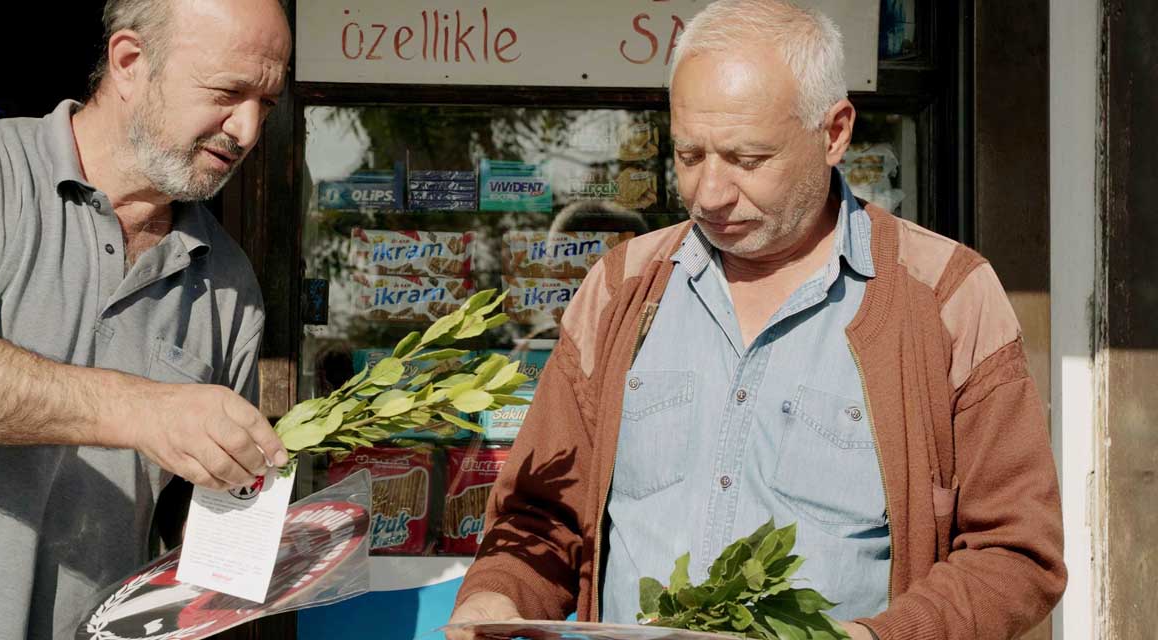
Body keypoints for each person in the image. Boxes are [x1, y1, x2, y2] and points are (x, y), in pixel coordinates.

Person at [448, 1, 1066, 639]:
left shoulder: (946, 298)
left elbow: (1016, 555)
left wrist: (878, 638)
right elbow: (538, 517)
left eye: (747, 160)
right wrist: (495, 599)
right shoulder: (619, 289)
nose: (709, 192)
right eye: (690, 155)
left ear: (834, 133)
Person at [0, 1, 293, 638]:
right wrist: (149, 411)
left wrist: (259, 544)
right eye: (228, 92)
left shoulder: (230, 281)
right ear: (130, 63)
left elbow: (194, 522)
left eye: (266, 103)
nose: (247, 130)